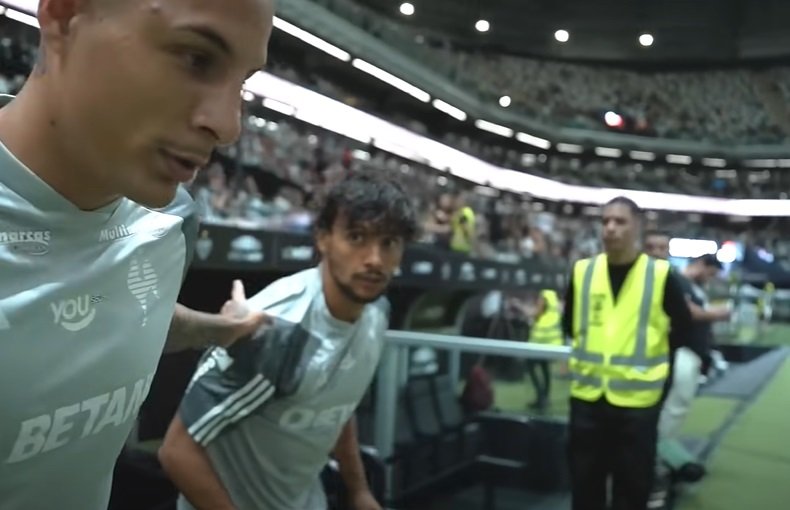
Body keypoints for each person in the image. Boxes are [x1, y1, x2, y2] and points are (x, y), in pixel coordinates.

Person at [0, 0, 274, 508]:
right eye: (196, 58)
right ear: (62, 16)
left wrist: (223, 329)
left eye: (242, 85)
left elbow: (124, 311)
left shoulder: (171, 222)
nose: (229, 125)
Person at [159, 173, 419, 510]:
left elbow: (335, 404)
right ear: (323, 239)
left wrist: (358, 490)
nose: (374, 259)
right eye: (356, 237)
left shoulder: (377, 313)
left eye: (389, 243)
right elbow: (177, 452)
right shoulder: (278, 331)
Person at [562, 196, 700, 510]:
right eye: (605, 221)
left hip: (637, 409)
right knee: (585, 490)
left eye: (619, 221)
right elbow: (570, 325)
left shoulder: (661, 276)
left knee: (632, 491)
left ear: (636, 226)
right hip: (587, 403)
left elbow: (682, 330)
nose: (610, 228)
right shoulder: (582, 272)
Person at [656, 254, 729, 481]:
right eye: (710, 273)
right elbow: (688, 312)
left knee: (680, 406)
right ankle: (659, 455)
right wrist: (718, 314)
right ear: (700, 264)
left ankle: (664, 451)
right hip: (681, 350)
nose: (709, 278)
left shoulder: (696, 287)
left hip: (694, 354)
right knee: (673, 406)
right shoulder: (678, 280)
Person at [525, 289, 564, 410]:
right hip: (552, 344)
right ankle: (545, 397)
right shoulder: (554, 303)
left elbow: (536, 314)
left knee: (530, 366)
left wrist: (523, 309)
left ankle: (541, 397)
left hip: (540, 343)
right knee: (544, 368)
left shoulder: (544, 297)